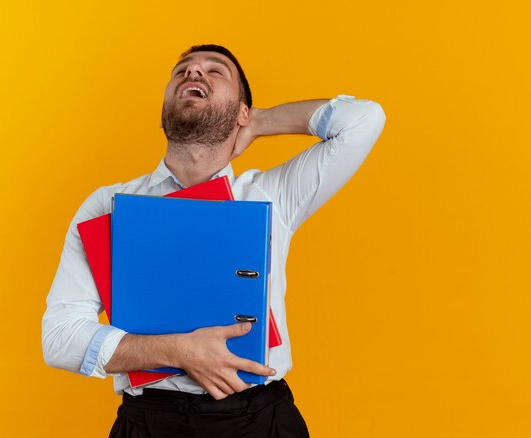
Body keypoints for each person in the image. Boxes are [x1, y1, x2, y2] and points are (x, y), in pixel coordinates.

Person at [42, 44, 386, 437]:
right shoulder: (108, 206)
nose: (193, 73)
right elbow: (60, 338)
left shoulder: (272, 194)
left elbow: (364, 119)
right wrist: (178, 351)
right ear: (164, 111)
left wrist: (258, 122)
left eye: (215, 70)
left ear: (241, 110)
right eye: (182, 70)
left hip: (259, 421)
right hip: (149, 423)